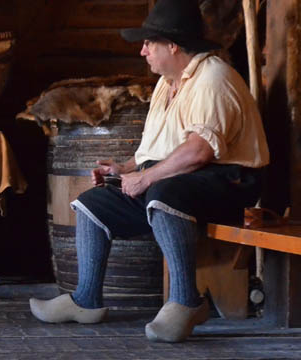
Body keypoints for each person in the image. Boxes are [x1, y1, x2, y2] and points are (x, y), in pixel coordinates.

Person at [29, 0, 269, 342]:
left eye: (148, 43)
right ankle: (85, 301)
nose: (142, 52)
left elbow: (199, 151)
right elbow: (163, 150)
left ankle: (187, 301)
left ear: (172, 45)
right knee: (93, 203)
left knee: (162, 192)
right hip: (190, 177)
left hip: (232, 181)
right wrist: (125, 168)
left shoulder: (213, 77)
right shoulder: (166, 83)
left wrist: (146, 178)